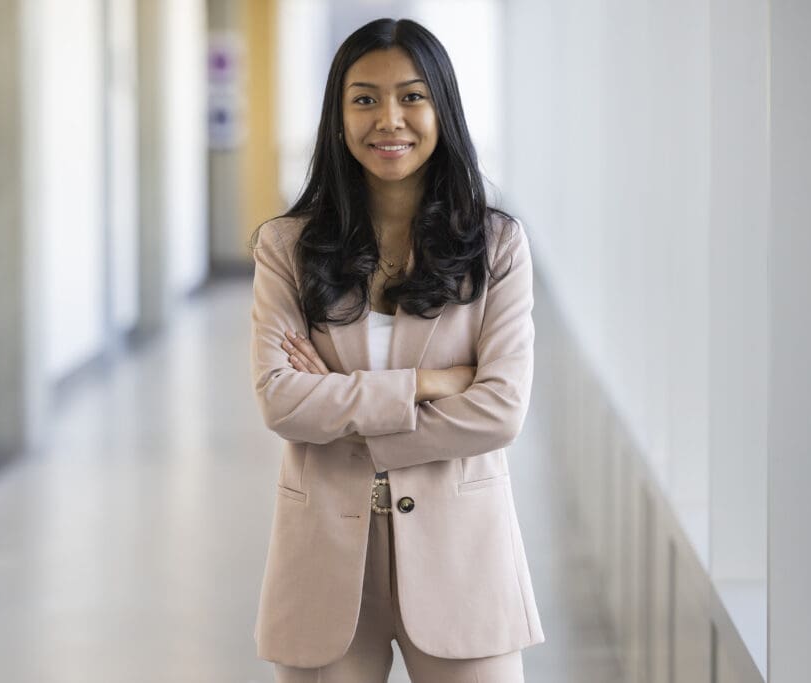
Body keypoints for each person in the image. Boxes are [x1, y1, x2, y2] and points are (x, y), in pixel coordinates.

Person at [249, 17, 544, 683]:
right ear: (338, 116)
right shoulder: (287, 248)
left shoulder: (496, 246)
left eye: (412, 96)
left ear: (443, 110)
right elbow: (281, 401)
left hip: (463, 559)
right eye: (365, 99)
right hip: (323, 561)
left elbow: (500, 411)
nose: (389, 119)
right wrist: (428, 383)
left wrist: (338, 409)